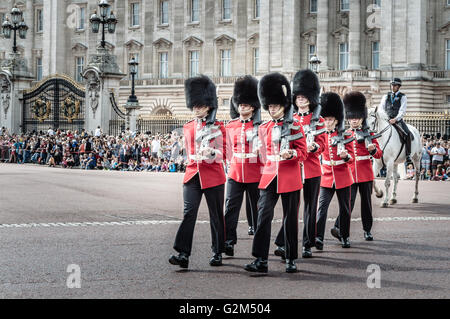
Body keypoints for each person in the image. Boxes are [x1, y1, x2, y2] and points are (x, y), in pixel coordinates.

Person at [244, 73, 308, 274]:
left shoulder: (295, 125)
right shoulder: (264, 127)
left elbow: (304, 153)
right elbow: (264, 154)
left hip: (290, 177)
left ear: (283, 105)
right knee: (263, 217)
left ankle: (290, 259)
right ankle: (261, 259)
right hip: (269, 176)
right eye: (269, 106)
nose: (271, 109)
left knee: (290, 220)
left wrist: (292, 154)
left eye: (275, 106)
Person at [169, 75, 226, 269]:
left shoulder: (218, 127)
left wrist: (211, 152)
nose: (196, 108)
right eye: (194, 105)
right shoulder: (187, 127)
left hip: (213, 174)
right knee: (189, 213)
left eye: (200, 105)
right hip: (193, 174)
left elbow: (223, 153)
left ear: (208, 106)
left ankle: (217, 252)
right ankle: (183, 253)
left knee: (216, 215)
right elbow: (188, 151)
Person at [273, 69, 325, 259]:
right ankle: (284, 242)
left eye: (305, 97)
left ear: (311, 98)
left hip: (311, 168)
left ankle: (307, 244)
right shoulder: (289, 120)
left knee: (310, 209)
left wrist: (314, 148)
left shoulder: (318, 121)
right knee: (291, 209)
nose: (301, 99)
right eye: (299, 97)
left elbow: (323, 146)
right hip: (293, 167)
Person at [330, 92, 382, 242]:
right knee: (348, 203)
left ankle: (367, 230)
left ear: (362, 118)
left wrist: (372, 150)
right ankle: (339, 227)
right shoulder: (345, 134)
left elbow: (379, 154)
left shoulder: (370, 133)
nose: (353, 121)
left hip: (365, 173)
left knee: (366, 204)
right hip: (350, 173)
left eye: (356, 118)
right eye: (351, 118)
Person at [223, 75, 263, 257]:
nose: (242, 107)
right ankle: (228, 242)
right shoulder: (230, 125)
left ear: (253, 107)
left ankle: (258, 242)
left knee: (257, 210)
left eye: (246, 105)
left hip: (255, 173)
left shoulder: (261, 126)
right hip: (235, 172)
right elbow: (225, 148)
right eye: (240, 104)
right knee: (231, 208)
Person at [315, 92, 355, 249]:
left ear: (337, 120)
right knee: (322, 208)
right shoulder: (321, 135)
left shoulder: (345, 135)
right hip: (326, 176)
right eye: (325, 119)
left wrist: (345, 157)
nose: (327, 122)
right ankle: (318, 237)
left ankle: (344, 236)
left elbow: (352, 158)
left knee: (345, 209)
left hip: (343, 176)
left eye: (330, 119)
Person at [378, 78, 412, 162]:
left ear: (399, 86)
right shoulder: (386, 96)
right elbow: (381, 108)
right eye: (392, 85)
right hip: (386, 119)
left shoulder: (402, 97)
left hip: (397, 120)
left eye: (395, 85)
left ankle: (408, 154)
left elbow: (402, 110)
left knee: (407, 133)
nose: (393, 87)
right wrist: (385, 117)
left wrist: (396, 119)